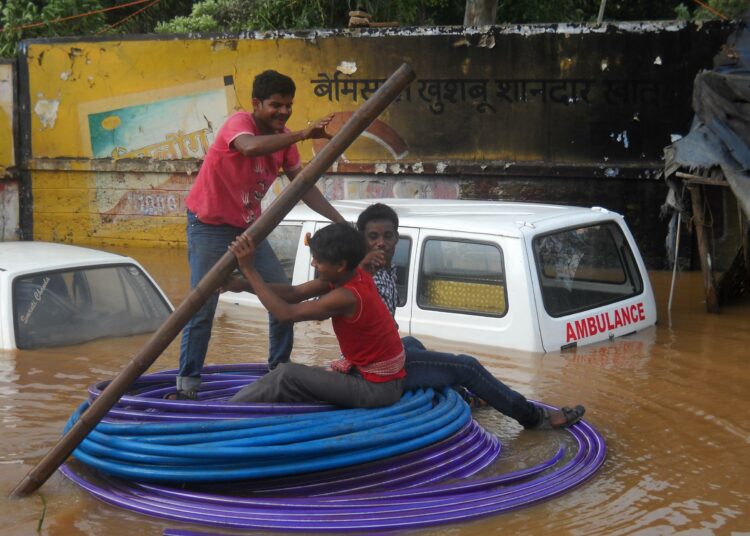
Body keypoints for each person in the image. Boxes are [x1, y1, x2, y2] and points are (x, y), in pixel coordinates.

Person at [174, 70, 347, 400]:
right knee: (202, 305)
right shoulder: (239, 124)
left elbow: (303, 187)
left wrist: (339, 220)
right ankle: (187, 385)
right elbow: (250, 148)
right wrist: (301, 133)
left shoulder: (283, 142)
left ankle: (278, 373)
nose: (283, 113)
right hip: (209, 225)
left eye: (288, 106)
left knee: (282, 297)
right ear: (256, 104)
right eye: (276, 106)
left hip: (249, 228)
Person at [356, 203, 585, 429]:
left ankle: (464, 399)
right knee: (467, 367)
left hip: (385, 354)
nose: (381, 243)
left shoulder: (385, 270)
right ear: (362, 240)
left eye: (387, 236)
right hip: (380, 368)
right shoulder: (363, 278)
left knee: (413, 342)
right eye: (373, 237)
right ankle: (535, 418)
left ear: (397, 238)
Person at [227, 223, 405, 408]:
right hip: (372, 377)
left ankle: (223, 413)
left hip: (375, 389)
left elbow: (285, 313)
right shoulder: (350, 274)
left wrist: (249, 269)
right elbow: (294, 293)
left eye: (318, 261)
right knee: (290, 376)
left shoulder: (346, 296)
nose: (313, 264)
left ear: (340, 265)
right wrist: (242, 285)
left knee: (285, 375)